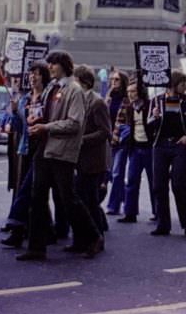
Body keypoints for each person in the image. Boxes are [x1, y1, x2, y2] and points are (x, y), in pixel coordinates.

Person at [17, 51, 104, 260]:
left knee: (68, 199)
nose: (50, 67)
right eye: (49, 64)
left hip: (62, 151)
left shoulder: (74, 90)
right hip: (45, 149)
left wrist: (46, 127)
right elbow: (45, 112)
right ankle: (36, 248)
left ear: (64, 65)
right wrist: (34, 118)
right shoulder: (51, 88)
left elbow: (75, 123)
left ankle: (92, 236)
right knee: (37, 199)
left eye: (53, 64)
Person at [0, 62, 51, 247]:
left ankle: (18, 228)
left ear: (43, 76)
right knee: (30, 190)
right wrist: (14, 113)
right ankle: (40, 230)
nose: (32, 78)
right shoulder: (25, 99)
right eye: (30, 75)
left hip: (44, 149)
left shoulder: (48, 97)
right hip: (26, 148)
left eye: (36, 74)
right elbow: (17, 127)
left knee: (30, 191)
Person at [148, 70, 186, 236]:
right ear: (174, 84)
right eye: (182, 83)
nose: (185, 86)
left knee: (178, 185)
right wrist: (155, 117)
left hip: (179, 145)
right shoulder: (156, 100)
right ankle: (163, 224)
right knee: (158, 186)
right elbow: (150, 125)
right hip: (161, 145)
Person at [73, 65, 112, 246]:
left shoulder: (97, 103)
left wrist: (82, 140)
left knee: (90, 202)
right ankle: (81, 239)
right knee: (80, 200)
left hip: (93, 161)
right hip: (78, 159)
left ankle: (96, 239)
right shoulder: (77, 101)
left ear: (84, 82)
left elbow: (104, 132)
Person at [120, 79, 155, 223]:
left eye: (133, 91)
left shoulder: (150, 106)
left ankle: (158, 212)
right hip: (135, 148)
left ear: (140, 92)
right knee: (132, 181)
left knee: (154, 183)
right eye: (128, 92)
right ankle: (130, 213)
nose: (130, 94)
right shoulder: (129, 107)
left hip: (150, 148)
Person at [105, 70, 130, 215]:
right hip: (108, 139)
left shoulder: (127, 99)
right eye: (111, 79)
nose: (113, 82)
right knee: (108, 173)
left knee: (116, 173)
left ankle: (113, 206)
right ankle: (128, 197)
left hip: (121, 140)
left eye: (116, 80)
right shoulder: (108, 97)